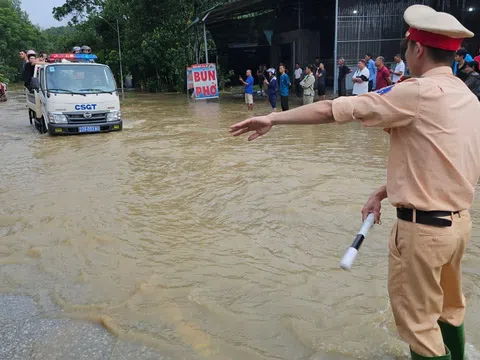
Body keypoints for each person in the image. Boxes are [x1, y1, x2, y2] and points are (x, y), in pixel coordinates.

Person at [230, 5, 479, 360]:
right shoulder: (469, 99)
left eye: (407, 46)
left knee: (420, 330)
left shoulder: (416, 92)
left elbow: (333, 110)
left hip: (423, 234)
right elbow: (446, 165)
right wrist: (385, 191)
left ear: (417, 49)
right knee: (449, 311)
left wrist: (274, 118)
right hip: (458, 226)